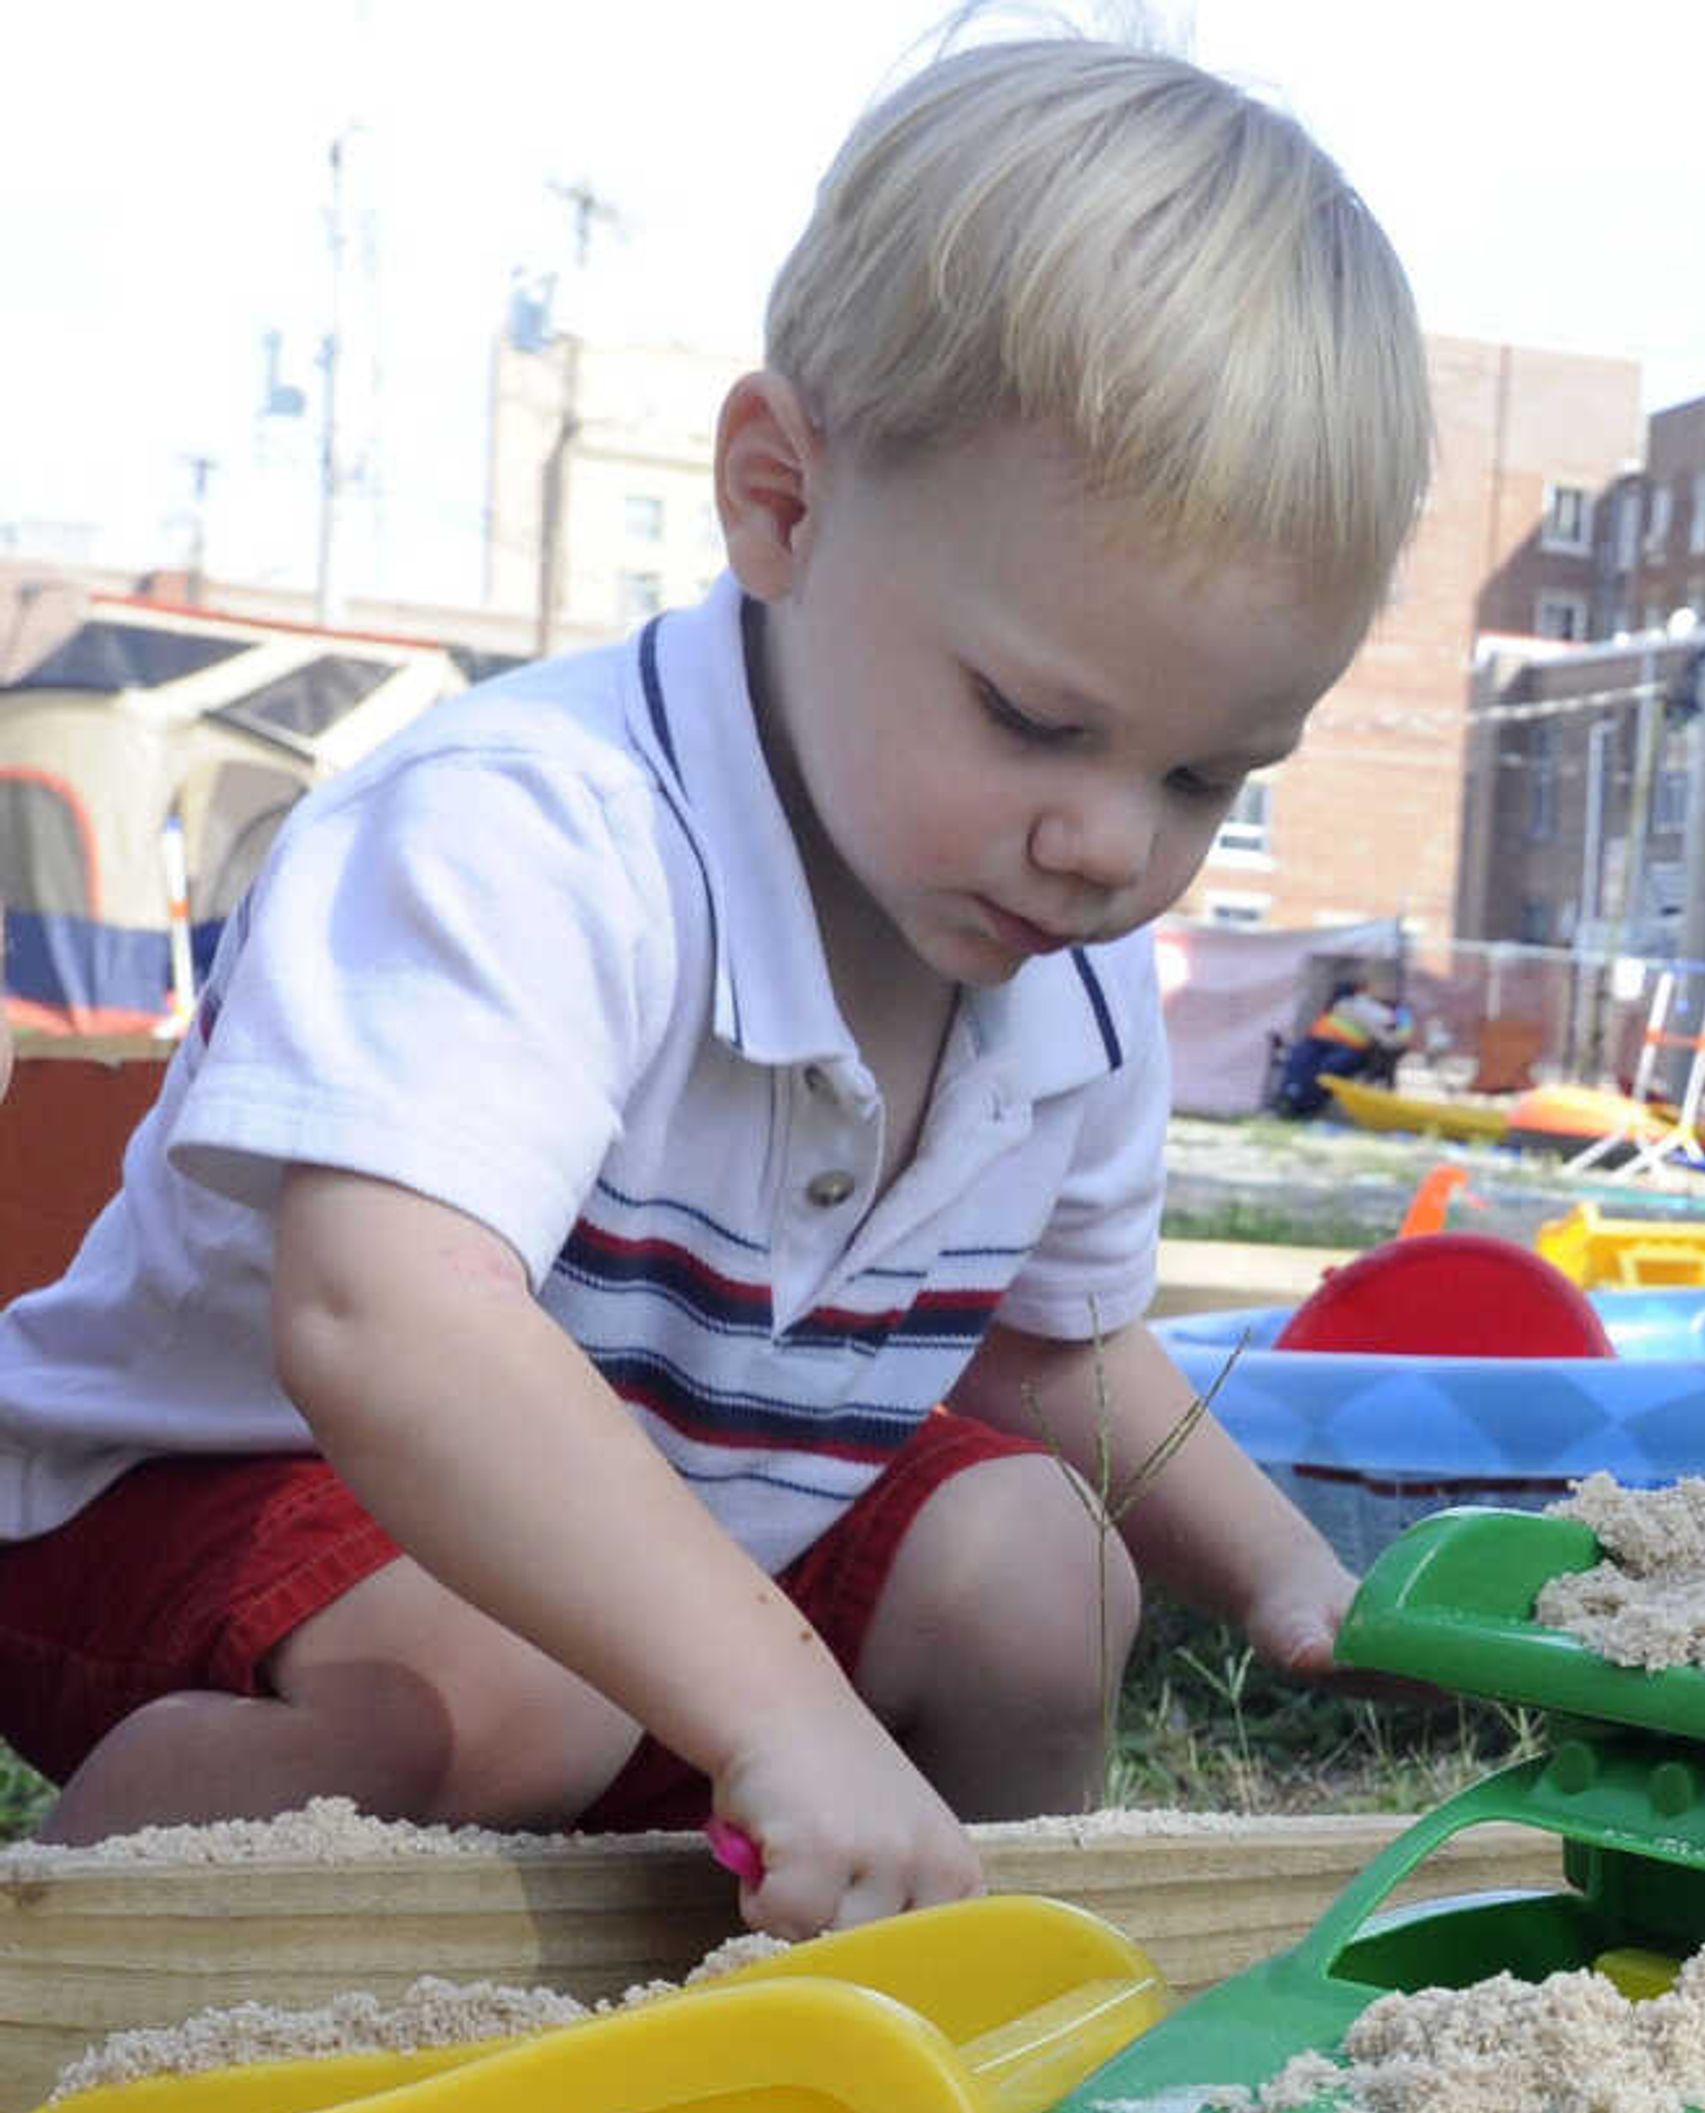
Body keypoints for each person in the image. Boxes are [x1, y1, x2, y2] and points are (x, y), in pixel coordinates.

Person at [0, 39, 1435, 1939]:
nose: (1107, 844)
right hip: (188, 1498)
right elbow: (384, 1320)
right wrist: (778, 1701)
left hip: (652, 1582)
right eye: (1035, 718)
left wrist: (1280, 1575)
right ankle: (102, 1943)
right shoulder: (536, 832)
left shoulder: (1059, 984)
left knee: (1037, 1571)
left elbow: (1052, 1348)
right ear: (779, 501)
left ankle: (937, 2003)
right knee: (522, 1685)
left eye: (1201, 777)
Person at [1274, 969, 1411, 1117]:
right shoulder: (1350, 998)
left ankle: (1302, 1106)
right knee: (1300, 1059)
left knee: (1327, 1070)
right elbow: (1349, 1009)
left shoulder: (1395, 1012)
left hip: (1348, 1049)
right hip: (1316, 1041)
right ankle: (1289, 1098)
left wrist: (1390, 1028)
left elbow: (1393, 1040)